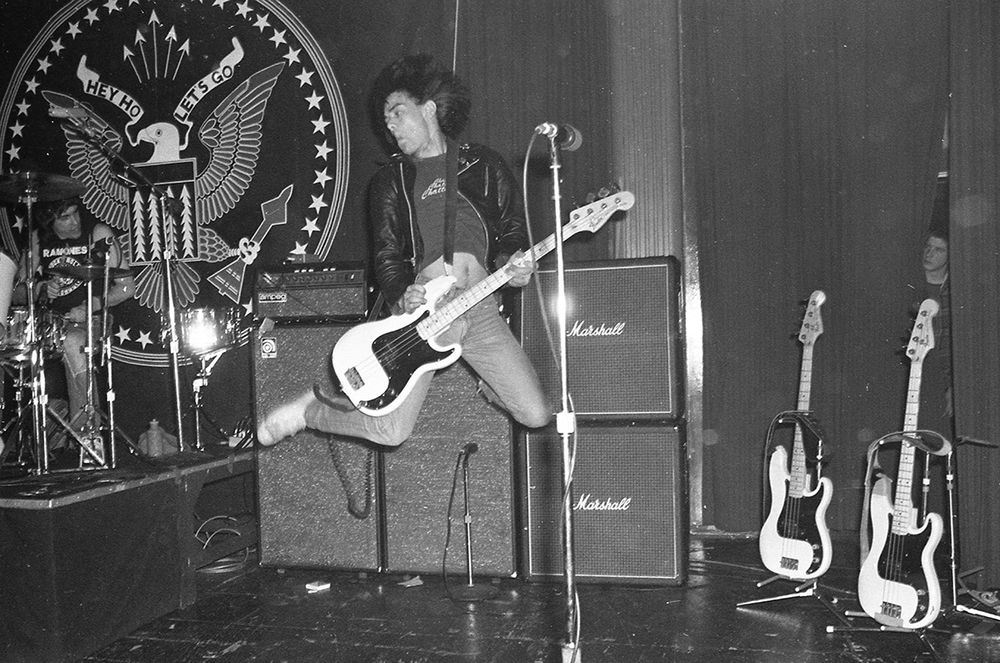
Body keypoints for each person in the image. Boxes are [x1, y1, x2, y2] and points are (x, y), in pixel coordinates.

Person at [257, 53, 552, 447]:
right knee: (391, 432)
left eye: (397, 112)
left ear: (429, 108)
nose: (390, 126)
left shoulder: (484, 164)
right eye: (386, 121)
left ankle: (489, 379)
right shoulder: (390, 181)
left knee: (536, 414)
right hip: (423, 314)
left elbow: (512, 229)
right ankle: (309, 410)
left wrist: (514, 265)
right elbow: (387, 254)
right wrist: (400, 293)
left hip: (479, 306)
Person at [25, 197, 134, 432]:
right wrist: (40, 289)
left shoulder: (98, 233)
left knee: (73, 341)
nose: (75, 221)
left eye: (76, 213)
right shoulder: (37, 240)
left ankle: (87, 433)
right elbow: (15, 291)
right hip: (48, 325)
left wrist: (91, 305)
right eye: (65, 218)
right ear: (48, 221)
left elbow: (127, 288)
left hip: (93, 320)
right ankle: (50, 431)